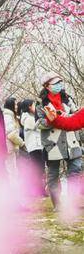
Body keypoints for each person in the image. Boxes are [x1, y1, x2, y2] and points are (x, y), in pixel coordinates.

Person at [36, 72, 82, 209]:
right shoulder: (40, 103)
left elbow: (76, 113)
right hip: (52, 143)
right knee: (53, 174)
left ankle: (72, 202)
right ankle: (58, 204)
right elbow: (38, 123)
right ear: (47, 86)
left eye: (60, 82)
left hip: (70, 139)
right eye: (55, 83)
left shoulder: (67, 98)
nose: (59, 85)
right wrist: (51, 120)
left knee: (75, 169)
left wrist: (70, 116)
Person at [19, 99, 46, 196]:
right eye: (34, 105)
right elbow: (37, 127)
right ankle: (39, 191)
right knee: (38, 169)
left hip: (38, 146)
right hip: (34, 147)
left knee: (40, 169)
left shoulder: (30, 117)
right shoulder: (27, 118)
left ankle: (39, 191)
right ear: (30, 106)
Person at [2, 97, 24, 179]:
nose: (16, 106)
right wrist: (22, 143)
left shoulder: (11, 116)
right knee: (12, 172)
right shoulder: (7, 116)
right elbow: (10, 134)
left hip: (11, 148)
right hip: (9, 148)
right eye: (15, 104)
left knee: (13, 171)